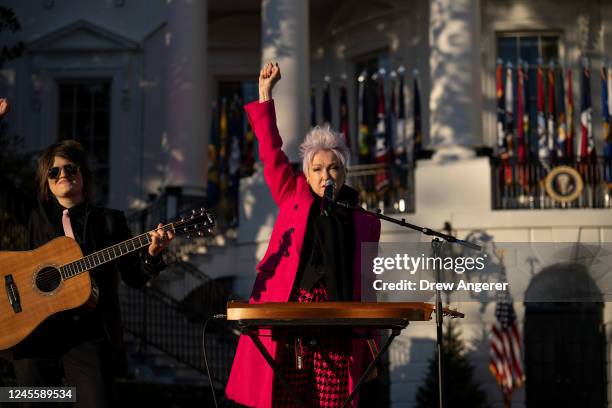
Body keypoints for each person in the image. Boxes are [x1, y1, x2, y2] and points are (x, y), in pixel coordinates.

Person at [226, 63, 381, 408]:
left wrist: (371, 342)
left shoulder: (365, 220)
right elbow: (270, 152)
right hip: (291, 317)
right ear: (307, 174)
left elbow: (367, 283)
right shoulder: (291, 193)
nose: (326, 175)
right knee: (287, 398)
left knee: (333, 400)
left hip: (339, 322)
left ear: (343, 172)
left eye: (333, 167)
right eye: (317, 168)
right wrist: (266, 95)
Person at [0, 117, 174, 408]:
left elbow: (134, 276)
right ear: (46, 182)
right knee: (29, 401)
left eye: (70, 168)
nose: (62, 174)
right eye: (53, 172)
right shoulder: (36, 215)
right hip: (35, 333)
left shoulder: (110, 221)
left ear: (83, 175)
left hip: (88, 335)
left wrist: (153, 254)